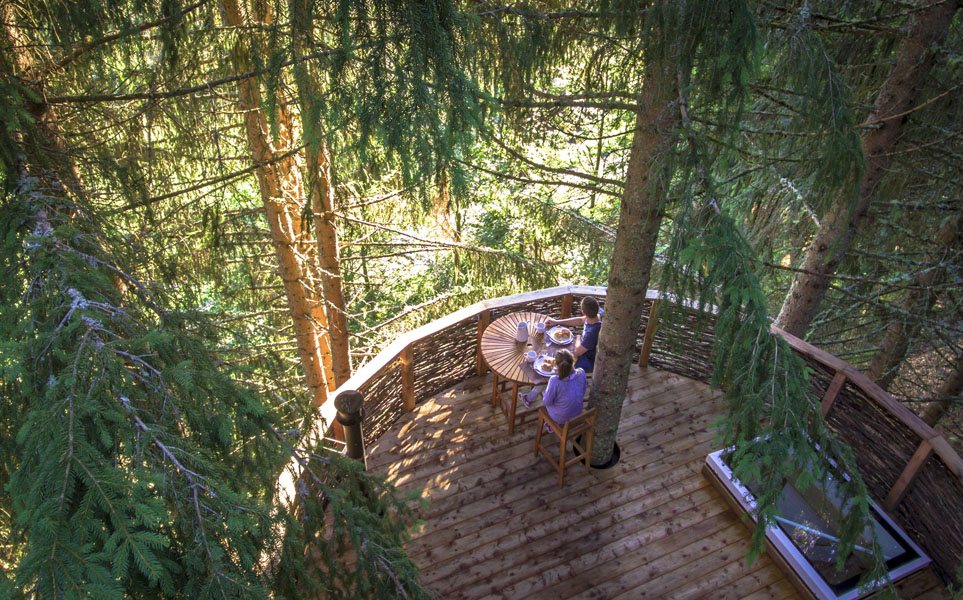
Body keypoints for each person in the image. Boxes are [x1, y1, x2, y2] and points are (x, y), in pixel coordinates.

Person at [521, 349, 585, 426]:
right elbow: (583, 391)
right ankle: (529, 398)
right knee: (554, 391)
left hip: (559, 417)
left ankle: (529, 399)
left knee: (543, 385)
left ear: (557, 366)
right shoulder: (581, 372)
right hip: (577, 412)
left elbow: (546, 402)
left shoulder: (555, 380)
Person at [546, 296, 602, 373]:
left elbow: (577, 352)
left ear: (583, 312)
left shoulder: (592, 332)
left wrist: (578, 337)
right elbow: (580, 320)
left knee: (560, 364)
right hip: (582, 347)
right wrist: (557, 322)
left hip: (588, 360)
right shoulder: (597, 315)